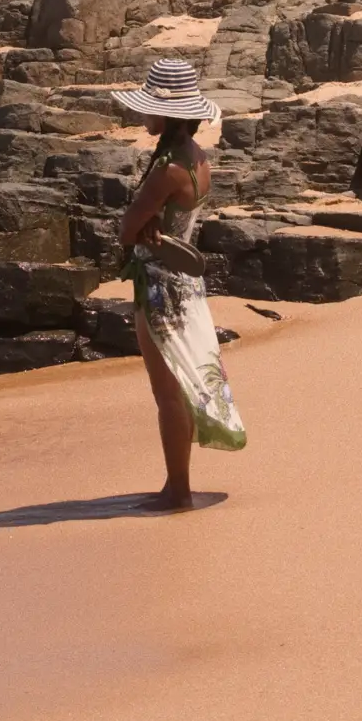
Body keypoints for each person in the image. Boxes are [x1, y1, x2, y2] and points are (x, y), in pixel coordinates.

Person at [115, 59, 246, 510]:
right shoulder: (197, 158)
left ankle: (178, 490)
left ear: (167, 115)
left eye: (149, 107)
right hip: (185, 287)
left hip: (158, 289)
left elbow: (126, 229)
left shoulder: (167, 168)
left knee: (167, 392)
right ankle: (177, 485)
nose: (143, 116)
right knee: (179, 388)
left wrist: (142, 224)